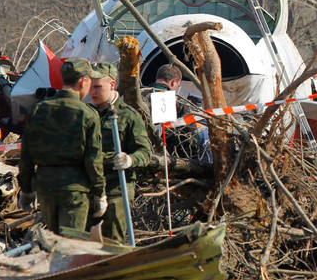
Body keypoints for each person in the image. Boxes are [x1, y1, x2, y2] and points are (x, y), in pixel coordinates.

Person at [17, 58, 107, 234]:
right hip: (75, 189)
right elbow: (93, 158)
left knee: (53, 240)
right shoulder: (87, 114)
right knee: (70, 245)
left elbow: (26, 154)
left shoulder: (39, 109)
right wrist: (100, 192)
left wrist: (26, 189)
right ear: (83, 81)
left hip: (45, 187)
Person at [88, 62, 152, 242]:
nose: (92, 92)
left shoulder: (128, 116)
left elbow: (145, 152)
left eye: (98, 87)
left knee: (112, 238)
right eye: (90, 87)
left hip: (116, 186)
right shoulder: (86, 114)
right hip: (89, 186)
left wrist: (130, 160)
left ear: (112, 85)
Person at [143, 64, 209, 162]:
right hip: (170, 161)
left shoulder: (140, 96)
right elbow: (191, 139)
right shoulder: (175, 103)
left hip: (140, 155)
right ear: (174, 82)